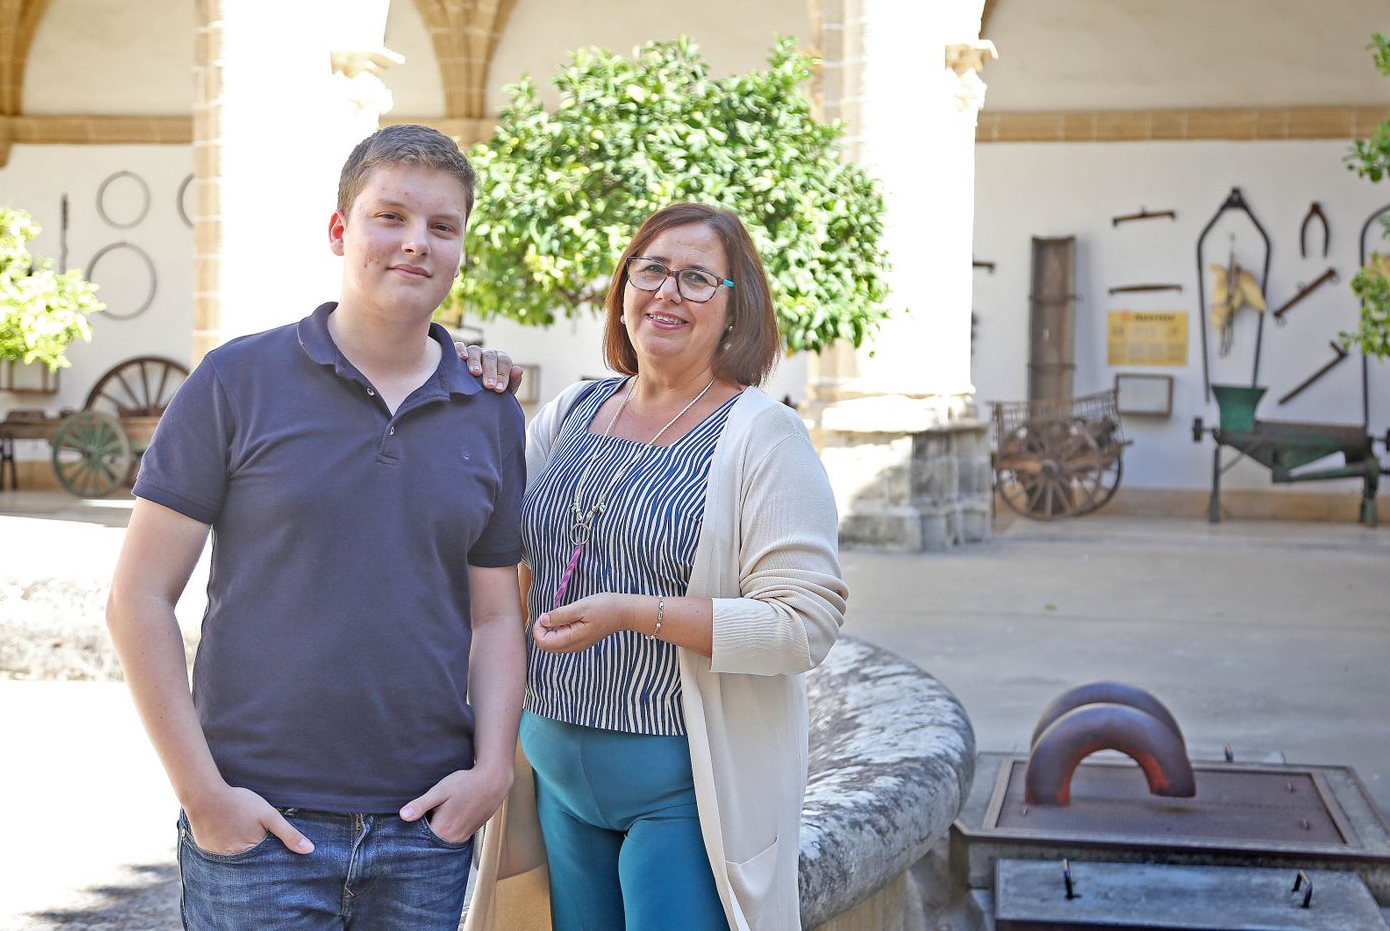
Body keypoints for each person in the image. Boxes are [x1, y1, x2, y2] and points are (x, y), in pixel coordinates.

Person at [105, 125, 527, 930]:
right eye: (389, 217)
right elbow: (138, 599)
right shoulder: (236, 381)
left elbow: (496, 614)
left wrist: (492, 770)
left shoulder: (490, 407)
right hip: (259, 827)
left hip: (424, 832)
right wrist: (203, 796)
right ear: (340, 230)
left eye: (442, 228)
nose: (415, 244)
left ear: (461, 248)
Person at [466, 202, 847, 931]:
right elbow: (484, 541)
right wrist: (463, 395)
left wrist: (633, 614)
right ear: (624, 288)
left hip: (683, 793)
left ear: (738, 312)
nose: (669, 292)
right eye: (652, 270)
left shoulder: (762, 436)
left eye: (699, 279)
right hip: (554, 781)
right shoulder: (572, 412)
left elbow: (804, 626)